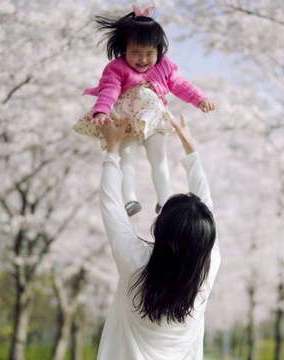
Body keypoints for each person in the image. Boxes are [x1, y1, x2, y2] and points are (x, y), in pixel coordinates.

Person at [97, 114, 220, 359]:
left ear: (160, 228)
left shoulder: (135, 263)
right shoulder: (207, 269)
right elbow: (205, 214)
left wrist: (113, 150)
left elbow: (112, 206)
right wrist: (190, 151)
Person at [74, 5, 216, 217]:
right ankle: (130, 198)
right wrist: (102, 111)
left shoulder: (164, 66)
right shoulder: (117, 68)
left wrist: (199, 98)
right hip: (126, 120)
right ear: (124, 50)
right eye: (135, 53)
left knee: (159, 157)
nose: (142, 59)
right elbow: (109, 90)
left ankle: (164, 199)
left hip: (153, 118)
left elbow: (179, 84)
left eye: (149, 53)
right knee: (127, 157)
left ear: (159, 50)